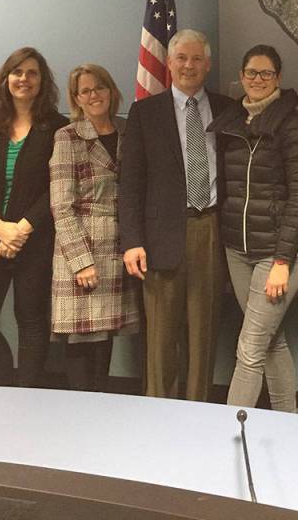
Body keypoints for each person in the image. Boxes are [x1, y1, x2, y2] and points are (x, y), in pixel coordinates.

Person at [119, 29, 236, 400]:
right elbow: (131, 183)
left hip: (212, 230)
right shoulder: (145, 112)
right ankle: (160, 415)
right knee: (161, 338)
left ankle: (197, 413)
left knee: (203, 336)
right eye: (181, 58)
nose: (188, 65)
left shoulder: (227, 110)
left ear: (208, 65)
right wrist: (132, 241)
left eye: (196, 58)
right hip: (159, 237)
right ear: (168, 64)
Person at [207, 45, 298, 412]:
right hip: (238, 250)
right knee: (270, 340)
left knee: (250, 346)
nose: (257, 80)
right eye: (251, 73)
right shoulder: (231, 122)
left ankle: (230, 431)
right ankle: (288, 416)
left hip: (277, 254)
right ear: (241, 76)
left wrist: (283, 260)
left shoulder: (295, 126)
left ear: (278, 79)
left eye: (265, 74)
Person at [0, 47, 68, 387]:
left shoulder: (59, 129)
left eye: (32, 73)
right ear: (6, 79)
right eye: (17, 72)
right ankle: (6, 389)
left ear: (42, 81)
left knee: (32, 323)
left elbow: (59, 186)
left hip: (35, 241)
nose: (24, 79)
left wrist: (21, 229)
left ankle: (28, 396)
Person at [50, 64, 141, 392]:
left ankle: (100, 410)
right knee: (80, 339)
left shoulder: (129, 129)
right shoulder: (68, 136)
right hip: (82, 247)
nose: (94, 95)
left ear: (111, 91)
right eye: (85, 91)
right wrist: (81, 261)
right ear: (76, 98)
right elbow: (61, 206)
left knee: (104, 336)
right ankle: (79, 414)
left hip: (119, 248)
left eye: (99, 87)